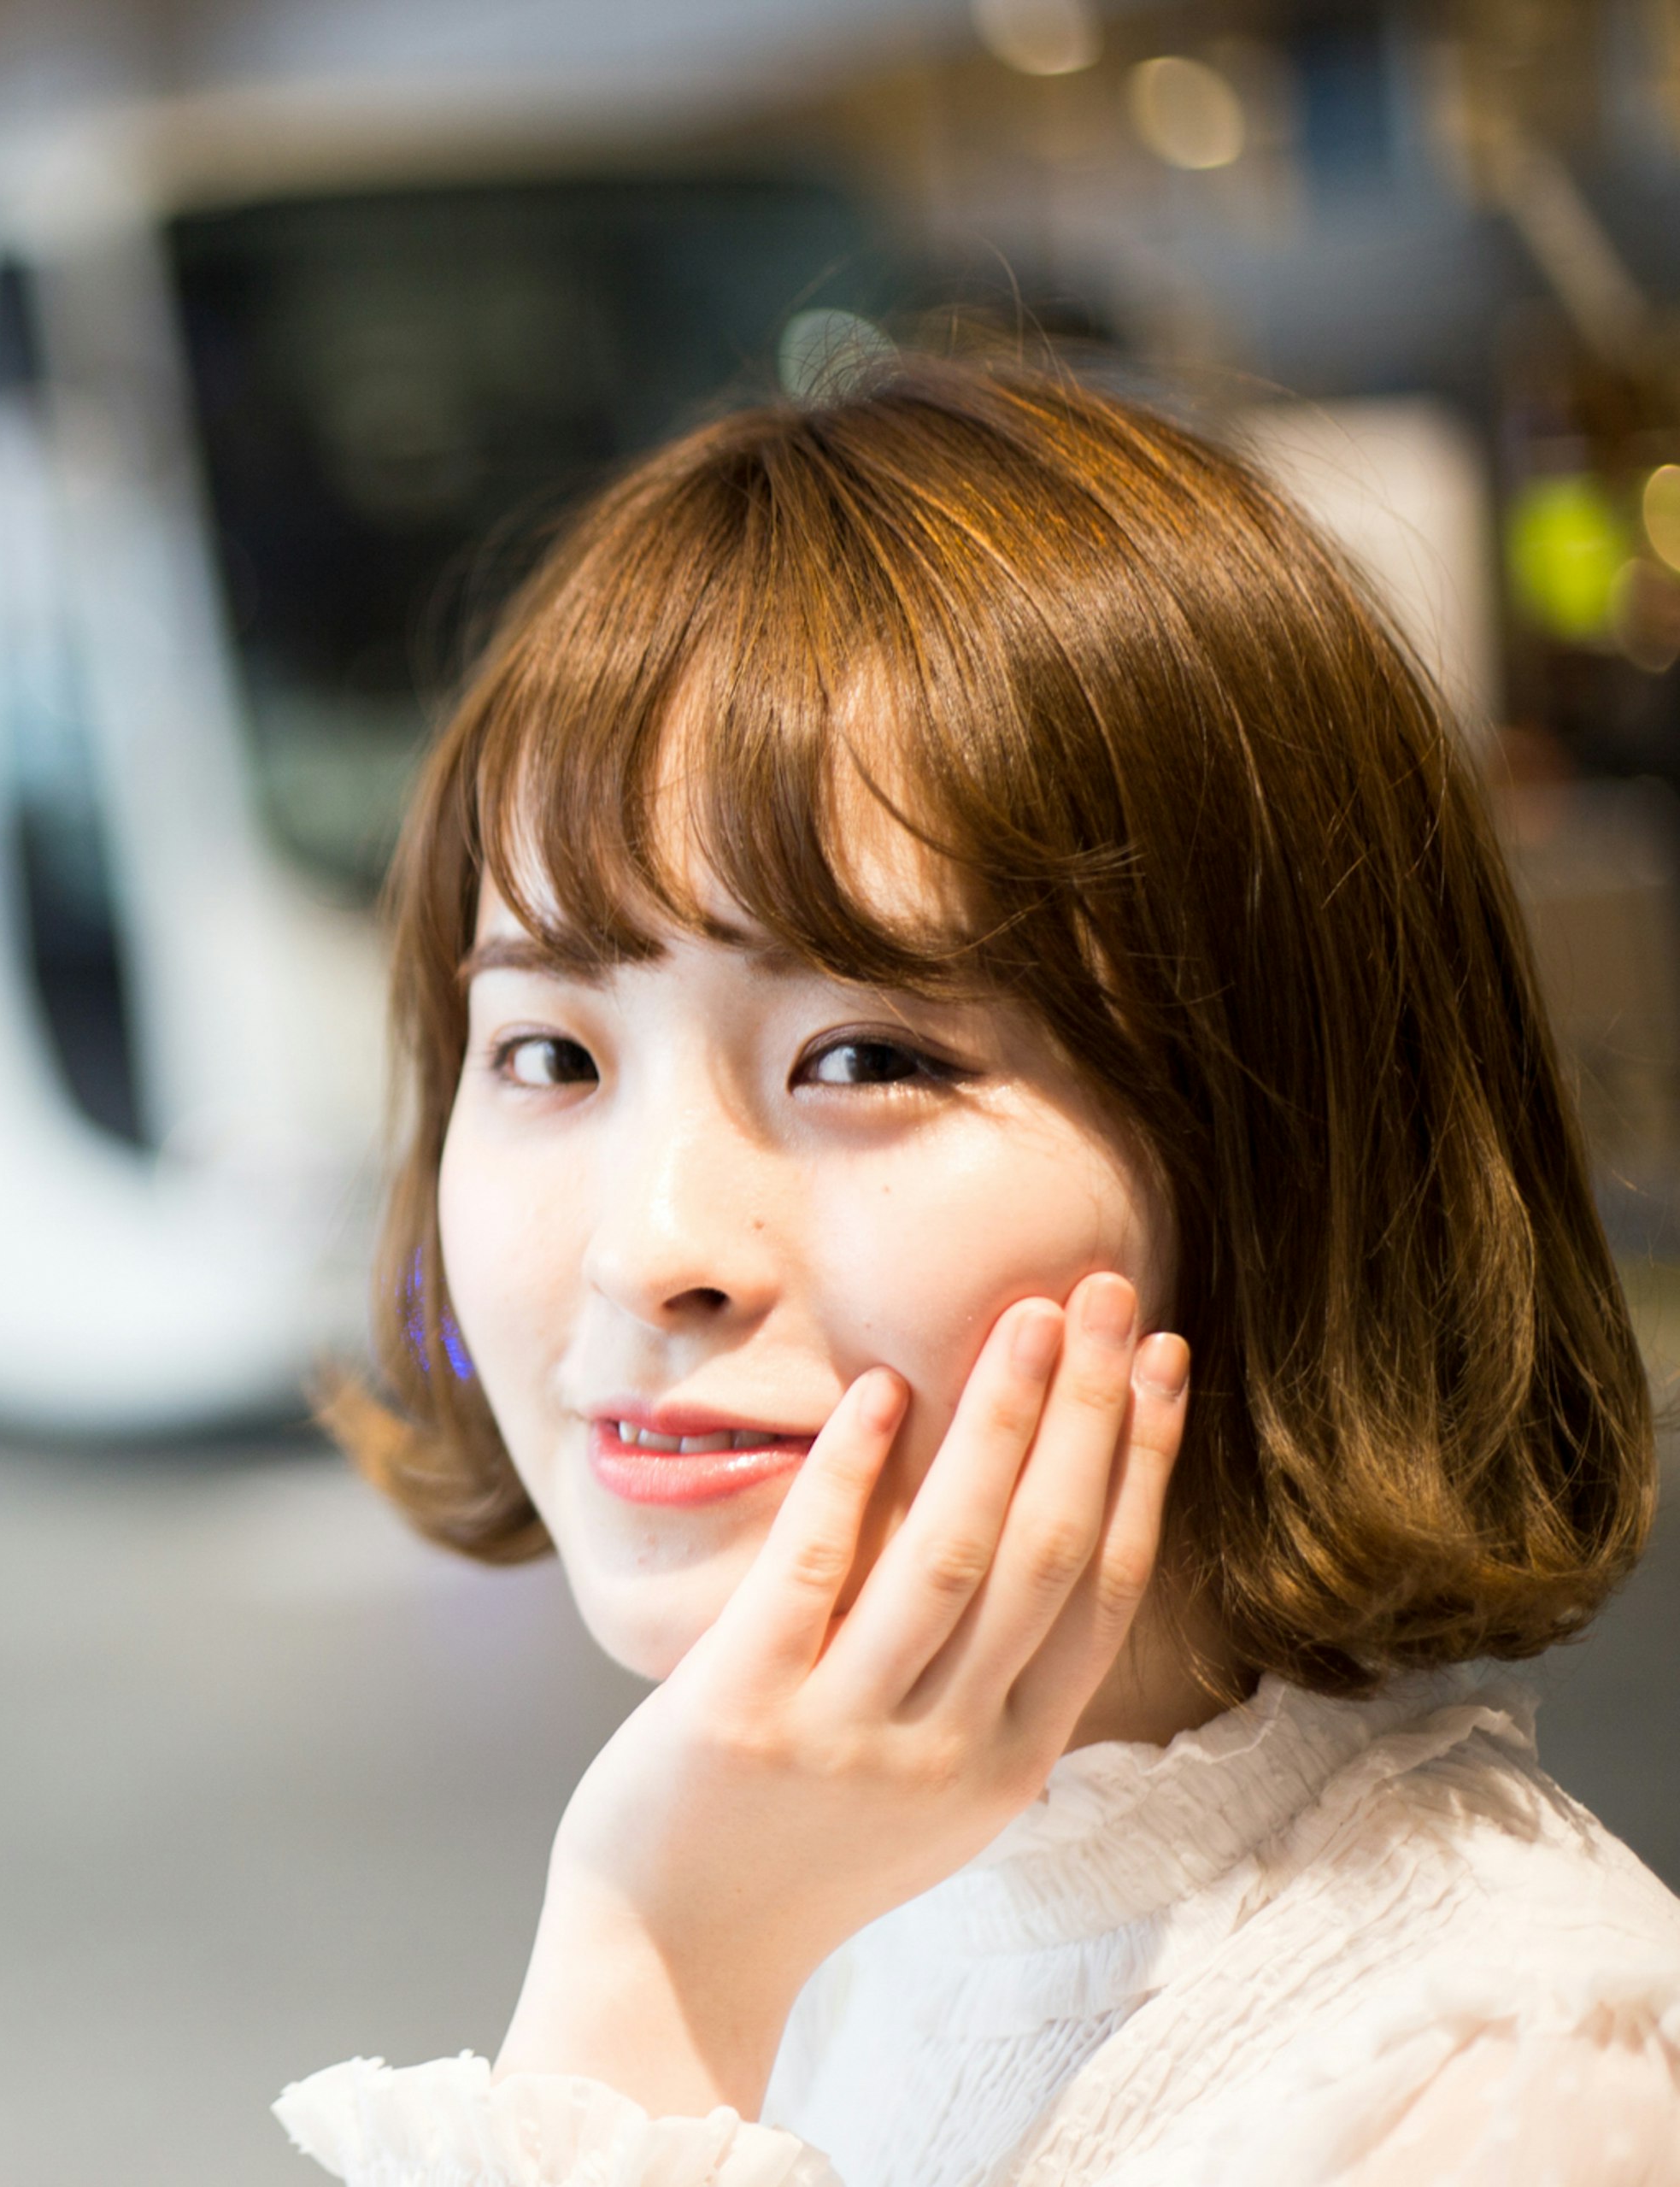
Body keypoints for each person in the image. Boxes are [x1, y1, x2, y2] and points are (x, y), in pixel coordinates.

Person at [274, 356, 1680, 2185]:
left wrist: (645, 1972)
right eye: (550, 1053)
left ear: (1288, 1139)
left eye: (863, 1057)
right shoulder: (836, 1867)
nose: (651, 1247)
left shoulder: (1497, 2080)